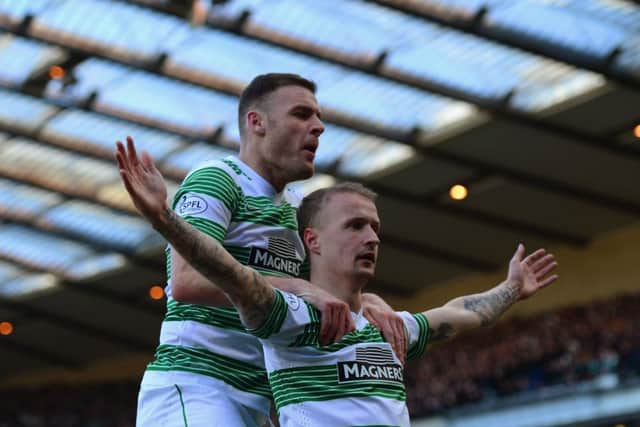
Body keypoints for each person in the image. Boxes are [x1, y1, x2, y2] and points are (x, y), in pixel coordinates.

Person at [116, 140, 559, 426]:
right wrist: (165, 218)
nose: (371, 237)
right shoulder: (292, 319)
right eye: (354, 226)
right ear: (312, 240)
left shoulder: (385, 327)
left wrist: (512, 288)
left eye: (375, 228)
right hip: (195, 390)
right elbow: (232, 275)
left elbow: (460, 313)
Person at [126, 73, 405, 426]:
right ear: (256, 122)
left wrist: (369, 305)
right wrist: (298, 287)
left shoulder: (296, 209)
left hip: (259, 399)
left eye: (319, 118)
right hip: (199, 386)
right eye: (302, 115)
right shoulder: (218, 179)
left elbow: (322, 295)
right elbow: (186, 282)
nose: (318, 127)